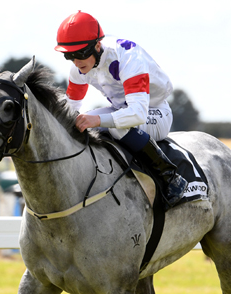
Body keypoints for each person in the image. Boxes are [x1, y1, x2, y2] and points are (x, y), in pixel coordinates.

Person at [54, 11, 187, 207]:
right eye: (69, 55)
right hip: (121, 109)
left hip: (154, 112)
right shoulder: (78, 68)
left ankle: (170, 176)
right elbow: (70, 110)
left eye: (80, 53)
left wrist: (98, 121)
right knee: (77, 122)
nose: (76, 61)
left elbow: (137, 114)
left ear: (97, 45)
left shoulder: (128, 57)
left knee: (116, 126)